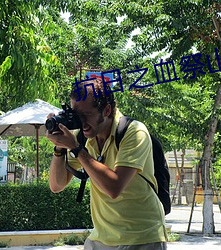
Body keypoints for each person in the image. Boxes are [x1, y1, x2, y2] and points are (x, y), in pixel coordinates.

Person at [46, 78, 167, 250]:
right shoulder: (84, 138)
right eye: (76, 115)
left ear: (107, 110)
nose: (81, 122)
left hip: (141, 237)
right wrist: (59, 148)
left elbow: (114, 187)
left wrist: (75, 148)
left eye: (86, 115)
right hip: (100, 239)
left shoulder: (134, 132)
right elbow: (56, 185)